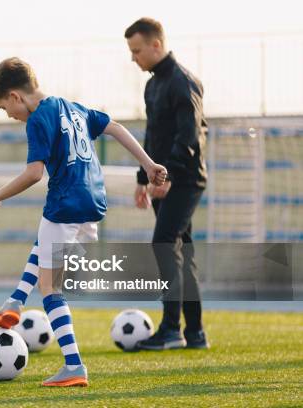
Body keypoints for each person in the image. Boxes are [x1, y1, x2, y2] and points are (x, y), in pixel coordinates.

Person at [0, 57, 167, 386]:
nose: (11, 116)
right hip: (93, 206)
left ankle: (73, 365)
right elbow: (115, 127)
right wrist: (147, 164)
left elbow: (34, 174)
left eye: (6, 108)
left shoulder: (37, 120)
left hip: (64, 205)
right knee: (44, 247)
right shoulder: (72, 108)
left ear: (15, 96)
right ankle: (14, 302)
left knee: (50, 288)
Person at [125, 17, 209, 350]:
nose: (134, 58)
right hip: (162, 179)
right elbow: (152, 137)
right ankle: (195, 333)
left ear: (156, 45)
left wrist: (167, 177)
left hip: (184, 181)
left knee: (164, 242)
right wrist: (142, 178)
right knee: (181, 253)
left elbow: (189, 137)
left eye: (137, 50)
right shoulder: (152, 85)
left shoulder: (183, 81)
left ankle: (171, 329)